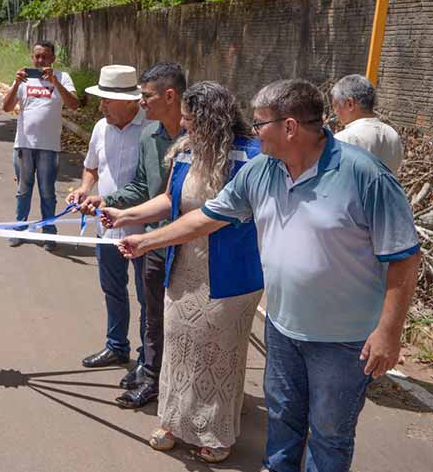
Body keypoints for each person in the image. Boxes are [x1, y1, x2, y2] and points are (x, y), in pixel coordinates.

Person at [118, 79, 420, 472]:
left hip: (343, 341)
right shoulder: (262, 170)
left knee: (329, 434)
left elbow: (404, 258)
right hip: (282, 327)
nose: (253, 130)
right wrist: (147, 241)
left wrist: (389, 333)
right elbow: (206, 217)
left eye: (260, 124)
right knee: (282, 421)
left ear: (290, 127)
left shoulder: (364, 176)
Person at [102, 81, 264, 463]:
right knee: (178, 346)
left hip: (230, 276)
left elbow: (208, 220)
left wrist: (148, 241)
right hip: (184, 267)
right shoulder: (188, 152)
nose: (186, 126)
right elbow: (170, 200)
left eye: (191, 120)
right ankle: (174, 421)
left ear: (212, 119)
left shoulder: (252, 158)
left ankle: (216, 432)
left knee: (218, 352)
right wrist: (125, 215)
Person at [80, 62, 187, 407]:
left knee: (170, 312)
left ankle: (163, 372)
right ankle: (147, 369)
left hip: (182, 241)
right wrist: (106, 201)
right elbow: (143, 186)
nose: (142, 103)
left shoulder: (195, 139)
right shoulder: (148, 136)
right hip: (148, 237)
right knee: (149, 307)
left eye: (145, 97)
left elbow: (180, 198)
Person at [65, 65, 147, 368]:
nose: (101, 107)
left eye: (106, 101)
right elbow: (91, 167)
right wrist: (85, 190)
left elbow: (153, 184)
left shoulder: (152, 130)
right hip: (107, 228)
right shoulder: (101, 128)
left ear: (130, 102)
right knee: (112, 289)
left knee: (146, 299)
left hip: (143, 231)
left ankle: (147, 359)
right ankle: (116, 345)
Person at [0, 40, 79, 251]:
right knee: (23, 190)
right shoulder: (24, 80)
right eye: (37, 56)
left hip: (49, 146)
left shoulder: (62, 78)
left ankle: (49, 234)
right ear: (32, 58)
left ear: (53, 59)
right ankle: (19, 230)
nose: (40, 60)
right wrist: (16, 83)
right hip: (24, 145)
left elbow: (74, 105)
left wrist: (55, 82)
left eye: (45, 56)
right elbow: (7, 107)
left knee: (47, 192)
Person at [331, 74, 403, 173]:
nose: (335, 112)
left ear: (350, 104)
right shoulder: (392, 134)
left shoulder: (343, 139)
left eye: (335, 105)